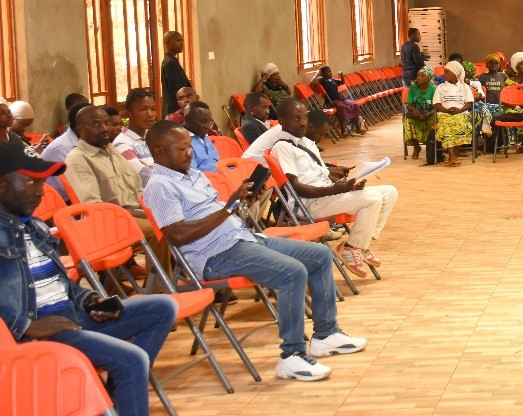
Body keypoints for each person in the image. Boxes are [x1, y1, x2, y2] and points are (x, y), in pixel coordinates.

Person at [144, 120, 366, 381]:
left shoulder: (191, 174)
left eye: (188, 147)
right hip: (214, 255)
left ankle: (325, 335)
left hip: (241, 238)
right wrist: (228, 208)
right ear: (159, 152)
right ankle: (291, 356)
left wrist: (241, 203)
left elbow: (219, 212)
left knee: (319, 255)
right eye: (181, 149)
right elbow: (178, 234)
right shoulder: (160, 185)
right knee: (292, 273)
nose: (189, 153)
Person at [0, 140, 177, 416]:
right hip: (39, 335)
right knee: (132, 359)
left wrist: (90, 298)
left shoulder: (33, 226)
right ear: (1, 185)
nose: (40, 191)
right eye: (31, 182)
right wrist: (26, 327)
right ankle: (118, 395)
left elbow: (61, 284)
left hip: (70, 318)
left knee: (162, 307)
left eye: (42, 182)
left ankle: (114, 398)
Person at [255, 102, 398, 280]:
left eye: (305, 117)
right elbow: (295, 188)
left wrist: (349, 185)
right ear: (282, 121)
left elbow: (324, 174)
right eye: (296, 118)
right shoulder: (282, 147)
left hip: (327, 195)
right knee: (372, 199)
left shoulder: (307, 142)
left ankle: (364, 242)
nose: (302, 122)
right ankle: (350, 248)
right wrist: (333, 190)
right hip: (310, 203)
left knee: (389, 192)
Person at [63, 105, 170, 271]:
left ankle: (186, 276)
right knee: (159, 232)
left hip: (133, 212)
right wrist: (133, 212)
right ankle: (160, 289)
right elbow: (94, 207)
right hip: (106, 223)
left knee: (177, 220)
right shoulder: (78, 159)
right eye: (97, 124)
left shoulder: (111, 150)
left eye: (107, 123)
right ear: (81, 129)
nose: (105, 128)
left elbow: (136, 187)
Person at [433, 61, 474, 166]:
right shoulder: (441, 87)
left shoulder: (464, 87)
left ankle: (453, 155)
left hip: (461, 113)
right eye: (444, 72)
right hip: (444, 114)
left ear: (455, 73)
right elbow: (437, 104)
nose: (444, 74)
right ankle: (452, 155)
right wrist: (447, 110)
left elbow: (469, 103)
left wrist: (458, 110)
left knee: (460, 124)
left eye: (447, 72)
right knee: (446, 125)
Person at [113, 88, 157, 185]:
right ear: (129, 114)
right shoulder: (122, 143)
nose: (150, 114)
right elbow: (142, 175)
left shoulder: (154, 136)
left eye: (153, 109)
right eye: (143, 109)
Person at [313, 66, 366, 135]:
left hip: (340, 99)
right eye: (328, 72)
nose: (330, 73)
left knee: (354, 104)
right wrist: (318, 73)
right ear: (322, 74)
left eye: (330, 71)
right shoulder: (322, 81)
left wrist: (341, 76)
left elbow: (342, 82)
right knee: (342, 107)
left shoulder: (332, 80)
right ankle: (343, 130)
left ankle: (358, 128)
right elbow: (314, 81)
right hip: (332, 101)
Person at [403, 67, 437, 159]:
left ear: (429, 78)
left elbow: (436, 106)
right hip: (416, 115)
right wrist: (414, 110)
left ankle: (430, 145)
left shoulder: (433, 89)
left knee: (436, 122)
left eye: (423, 76)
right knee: (407, 122)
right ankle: (416, 146)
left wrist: (429, 113)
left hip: (429, 115)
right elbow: (409, 105)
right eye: (418, 75)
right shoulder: (413, 88)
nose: (419, 77)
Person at [476, 54, 508, 137]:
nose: (494, 65)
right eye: (491, 63)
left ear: (499, 65)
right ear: (487, 65)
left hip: (501, 105)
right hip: (487, 105)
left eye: (496, 63)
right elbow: (479, 91)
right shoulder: (482, 77)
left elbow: (509, 90)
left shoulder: (503, 76)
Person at [160, 31, 192, 115]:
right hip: (175, 110)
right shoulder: (170, 63)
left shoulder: (172, 61)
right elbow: (177, 91)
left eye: (182, 41)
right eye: (178, 41)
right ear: (167, 43)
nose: (181, 43)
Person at [184, 101, 220, 172]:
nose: (207, 126)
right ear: (187, 119)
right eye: (202, 121)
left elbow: (217, 162)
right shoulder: (183, 142)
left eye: (209, 122)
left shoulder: (204, 137)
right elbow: (193, 175)